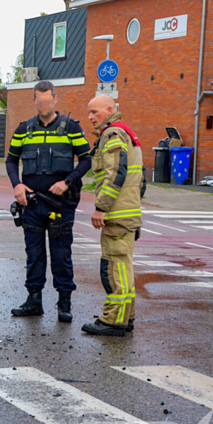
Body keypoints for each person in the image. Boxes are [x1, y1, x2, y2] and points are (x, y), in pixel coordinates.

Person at [5, 80, 92, 322]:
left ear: (55, 99)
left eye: (48, 102)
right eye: (39, 102)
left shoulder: (71, 128)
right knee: (34, 254)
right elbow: (11, 161)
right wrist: (17, 185)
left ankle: (64, 304)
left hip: (61, 204)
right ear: (34, 101)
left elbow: (86, 160)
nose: (44, 107)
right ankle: (34, 301)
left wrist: (68, 181)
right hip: (32, 204)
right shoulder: (23, 129)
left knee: (61, 253)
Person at [82, 95, 144, 337]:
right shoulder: (128, 134)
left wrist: (101, 207)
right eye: (88, 112)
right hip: (128, 214)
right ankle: (125, 317)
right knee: (124, 267)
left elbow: (116, 172)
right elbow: (140, 179)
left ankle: (113, 320)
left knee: (113, 268)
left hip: (116, 215)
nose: (90, 117)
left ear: (110, 109)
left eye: (94, 112)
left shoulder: (112, 135)